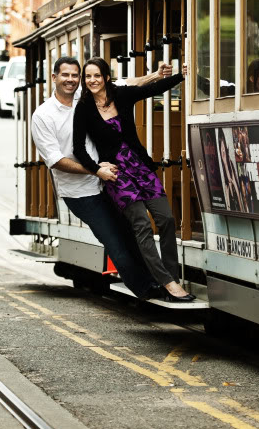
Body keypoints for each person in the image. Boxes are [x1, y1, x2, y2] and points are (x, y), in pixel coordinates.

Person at [30, 56, 162, 302]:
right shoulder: (43, 116)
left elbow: (125, 84)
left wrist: (155, 76)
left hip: (108, 183)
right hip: (81, 193)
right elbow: (56, 160)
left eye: (74, 75)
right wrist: (95, 170)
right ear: (54, 77)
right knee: (115, 242)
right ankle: (147, 292)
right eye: (65, 75)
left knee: (135, 232)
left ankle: (159, 283)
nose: (70, 80)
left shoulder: (86, 97)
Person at [72, 57, 194, 302]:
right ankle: (167, 283)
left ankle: (172, 275)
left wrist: (182, 75)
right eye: (88, 77)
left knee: (167, 219)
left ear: (106, 77)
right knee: (142, 226)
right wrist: (97, 170)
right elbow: (78, 148)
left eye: (97, 75)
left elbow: (151, 89)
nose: (92, 80)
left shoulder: (121, 95)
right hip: (117, 175)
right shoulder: (84, 107)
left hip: (141, 168)